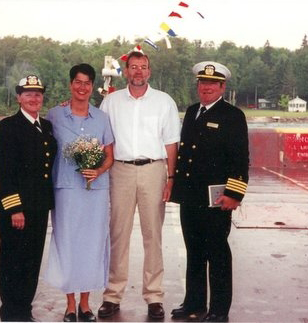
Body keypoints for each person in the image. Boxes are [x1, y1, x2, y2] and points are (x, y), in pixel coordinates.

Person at [97, 51, 181, 320]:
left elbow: (171, 143)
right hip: (119, 170)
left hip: (153, 170)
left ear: (149, 71)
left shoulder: (163, 102)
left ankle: (154, 296)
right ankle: (112, 294)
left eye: (143, 67)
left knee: (152, 236)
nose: (138, 72)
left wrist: (171, 177)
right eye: (133, 67)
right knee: (118, 234)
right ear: (126, 70)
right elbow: (101, 138)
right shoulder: (111, 102)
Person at [170, 61, 249, 323]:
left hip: (216, 198)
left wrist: (234, 194)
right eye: (202, 83)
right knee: (193, 251)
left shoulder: (233, 116)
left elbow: (240, 159)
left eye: (212, 84)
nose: (206, 87)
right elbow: (186, 155)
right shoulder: (192, 112)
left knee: (217, 253)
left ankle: (218, 309)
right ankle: (194, 303)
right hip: (191, 196)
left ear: (222, 87)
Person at [44, 63, 114, 322]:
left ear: (93, 86)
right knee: (67, 243)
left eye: (87, 83)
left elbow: (110, 155)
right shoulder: (54, 115)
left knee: (91, 245)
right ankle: (70, 304)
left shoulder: (102, 118)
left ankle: (86, 304)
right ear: (71, 84)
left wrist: (98, 171)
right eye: (78, 82)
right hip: (65, 190)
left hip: (95, 191)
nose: (82, 87)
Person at [0, 75, 57, 322]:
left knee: (31, 261)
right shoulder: (9, 127)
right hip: (17, 208)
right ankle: (11, 313)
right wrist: (14, 209)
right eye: (28, 94)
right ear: (19, 97)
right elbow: (5, 172)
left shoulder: (46, 126)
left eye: (38, 94)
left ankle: (25, 310)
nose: (34, 98)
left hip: (39, 206)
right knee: (13, 261)